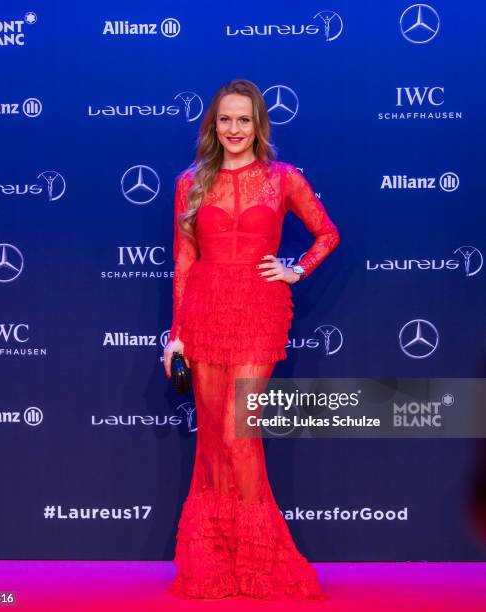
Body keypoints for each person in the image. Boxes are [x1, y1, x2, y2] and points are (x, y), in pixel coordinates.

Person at [163, 78, 340, 601]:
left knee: (242, 435)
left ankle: (262, 560)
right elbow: (183, 262)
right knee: (214, 439)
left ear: (258, 124)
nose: (234, 129)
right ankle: (216, 560)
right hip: (204, 310)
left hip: (259, 311)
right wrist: (176, 338)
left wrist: (296, 269)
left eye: (244, 119)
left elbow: (327, 232)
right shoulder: (190, 183)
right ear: (212, 125)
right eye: (225, 119)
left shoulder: (283, 179)